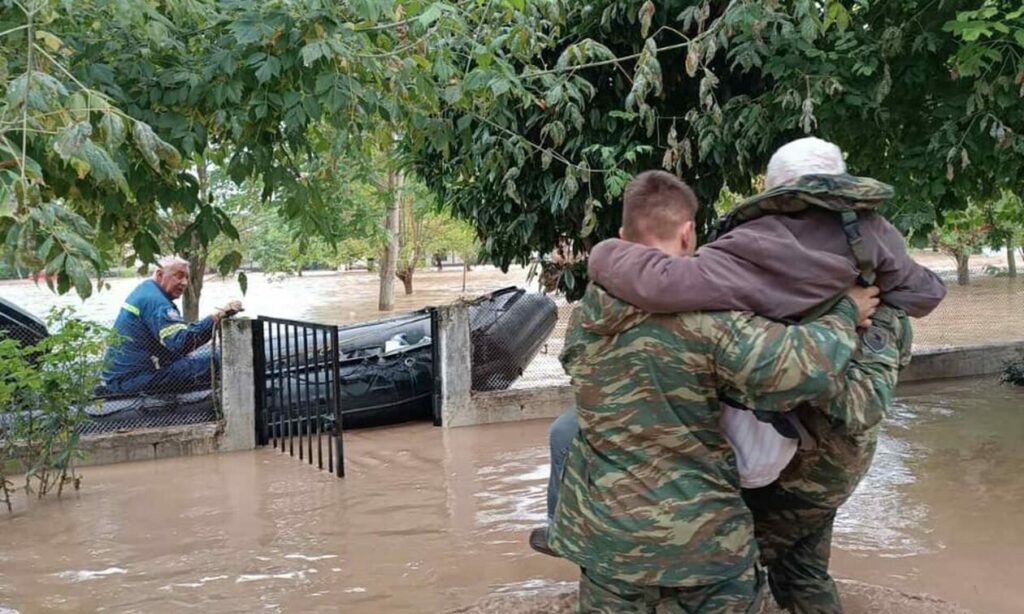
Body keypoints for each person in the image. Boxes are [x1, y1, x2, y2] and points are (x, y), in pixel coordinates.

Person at [545, 138, 946, 612]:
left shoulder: (585, 316)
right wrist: (842, 313)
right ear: (690, 234)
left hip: (602, 533)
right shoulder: (714, 321)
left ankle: (560, 533)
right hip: (716, 528)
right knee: (798, 570)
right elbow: (803, 371)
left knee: (566, 430)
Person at [102, 256, 243, 395]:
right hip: (134, 381)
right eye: (179, 276)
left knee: (201, 355)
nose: (185, 283)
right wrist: (215, 319)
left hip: (121, 378)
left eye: (187, 278)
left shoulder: (146, 290)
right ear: (159, 275)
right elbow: (181, 343)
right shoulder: (157, 303)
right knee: (220, 357)